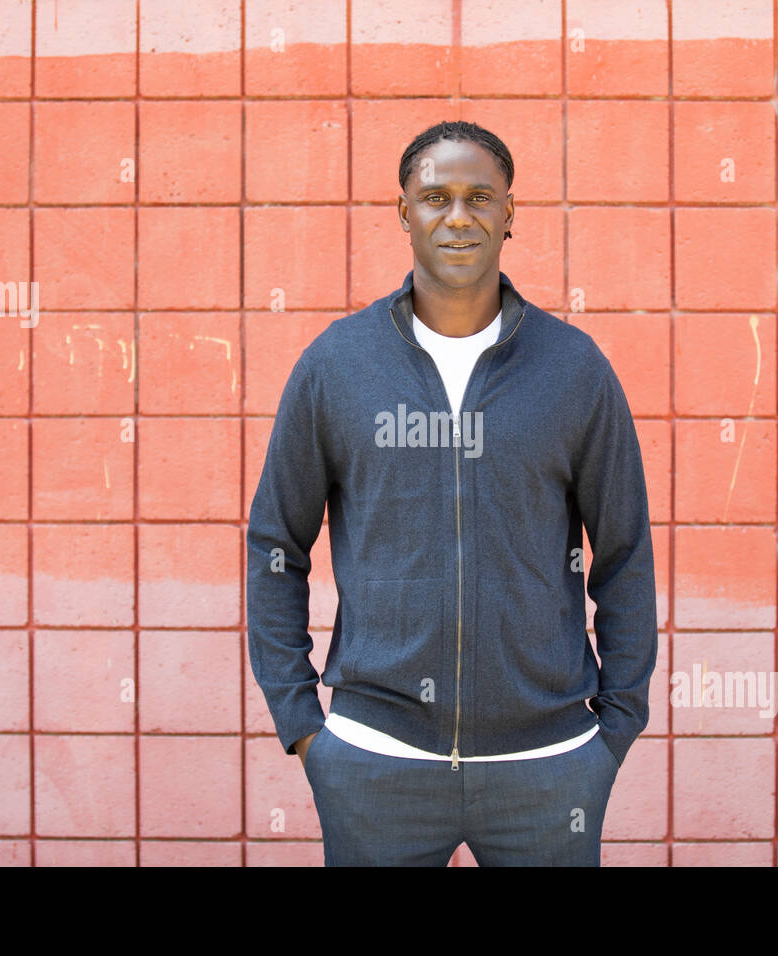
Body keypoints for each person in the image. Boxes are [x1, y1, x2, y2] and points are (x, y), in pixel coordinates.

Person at [247, 120, 657, 866]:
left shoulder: (573, 369)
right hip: (375, 762)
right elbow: (275, 543)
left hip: (550, 764)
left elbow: (625, 552)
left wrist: (615, 729)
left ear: (509, 213)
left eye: (479, 197)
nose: (458, 216)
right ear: (404, 212)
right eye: (435, 197)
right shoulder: (338, 366)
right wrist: (305, 724)